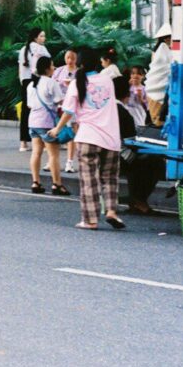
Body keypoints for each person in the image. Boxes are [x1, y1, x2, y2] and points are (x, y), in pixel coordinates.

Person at [49, 48, 125, 231]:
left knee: (88, 180)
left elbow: (68, 112)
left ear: (80, 64)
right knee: (110, 177)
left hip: (88, 137)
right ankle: (112, 211)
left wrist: (57, 129)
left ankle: (90, 220)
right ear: (99, 63)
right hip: (111, 137)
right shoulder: (107, 80)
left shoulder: (77, 83)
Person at [113, 76, 164, 215]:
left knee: (139, 160)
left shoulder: (109, 108)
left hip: (106, 153)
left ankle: (135, 199)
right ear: (127, 93)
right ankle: (139, 200)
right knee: (155, 162)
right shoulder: (122, 112)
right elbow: (132, 140)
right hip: (119, 155)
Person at [26, 56, 70, 195]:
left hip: (33, 122)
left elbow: (29, 104)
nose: (54, 68)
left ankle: (36, 182)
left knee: (36, 152)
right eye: (52, 66)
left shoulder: (31, 84)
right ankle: (57, 184)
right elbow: (60, 101)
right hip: (47, 123)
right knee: (53, 155)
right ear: (47, 68)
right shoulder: (51, 83)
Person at [18, 28, 49, 152]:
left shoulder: (23, 49)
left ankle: (23, 143)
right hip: (37, 80)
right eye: (42, 36)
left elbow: (20, 67)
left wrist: (22, 81)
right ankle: (44, 140)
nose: (44, 38)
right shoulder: (41, 49)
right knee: (42, 108)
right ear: (35, 37)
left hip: (25, 81)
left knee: (26, 110)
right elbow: (46, 65)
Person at [52, 48, 80, 173]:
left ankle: (70, 162)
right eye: (68, 57)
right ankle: (52, 161)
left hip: (73, 107)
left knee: (71, 134)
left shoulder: (79, 73)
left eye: (73, 58)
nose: (70, 60)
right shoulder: (58, 71)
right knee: (56, 133)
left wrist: (72, 86)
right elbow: (52, 84)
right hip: (58, 105)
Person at [144, 23, 171, 127]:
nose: (168, 39)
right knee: (160, 119)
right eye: (166, 37)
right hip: (158, 88)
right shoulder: (160, 51)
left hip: (161, 87)